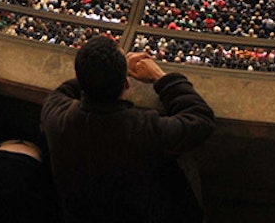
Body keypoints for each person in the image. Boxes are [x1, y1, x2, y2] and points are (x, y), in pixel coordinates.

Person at [41, 36, 215, 222]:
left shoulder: (56, 117)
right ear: (126, 84)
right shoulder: (144, 130)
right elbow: (200, 119)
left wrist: (98, 71)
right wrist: (160, 77)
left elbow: (62, 92)